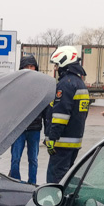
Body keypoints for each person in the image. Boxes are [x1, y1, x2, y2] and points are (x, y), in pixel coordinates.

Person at [44, 46, 90, 183]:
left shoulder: (65, 84)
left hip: (61, 143)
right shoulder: (80, 83)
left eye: (57, 64)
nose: (56, 68)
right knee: (67, 179)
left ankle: (54, 204)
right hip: (74, 141)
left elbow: (61, 115)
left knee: (55, 181)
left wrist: (52, 137)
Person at [9, 55, 44, 184]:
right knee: (15, 158)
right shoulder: (16, 85)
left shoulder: (41, 85)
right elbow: (10, 108)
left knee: (33, 159)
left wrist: (48, 133)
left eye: (32, 66)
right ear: (21, 68)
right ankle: (14, 183)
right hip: (18, 129)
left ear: (36, 68)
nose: (29, 69)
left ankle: (32, 184)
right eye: (27, 66)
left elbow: (45, 109)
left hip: (34, 129)